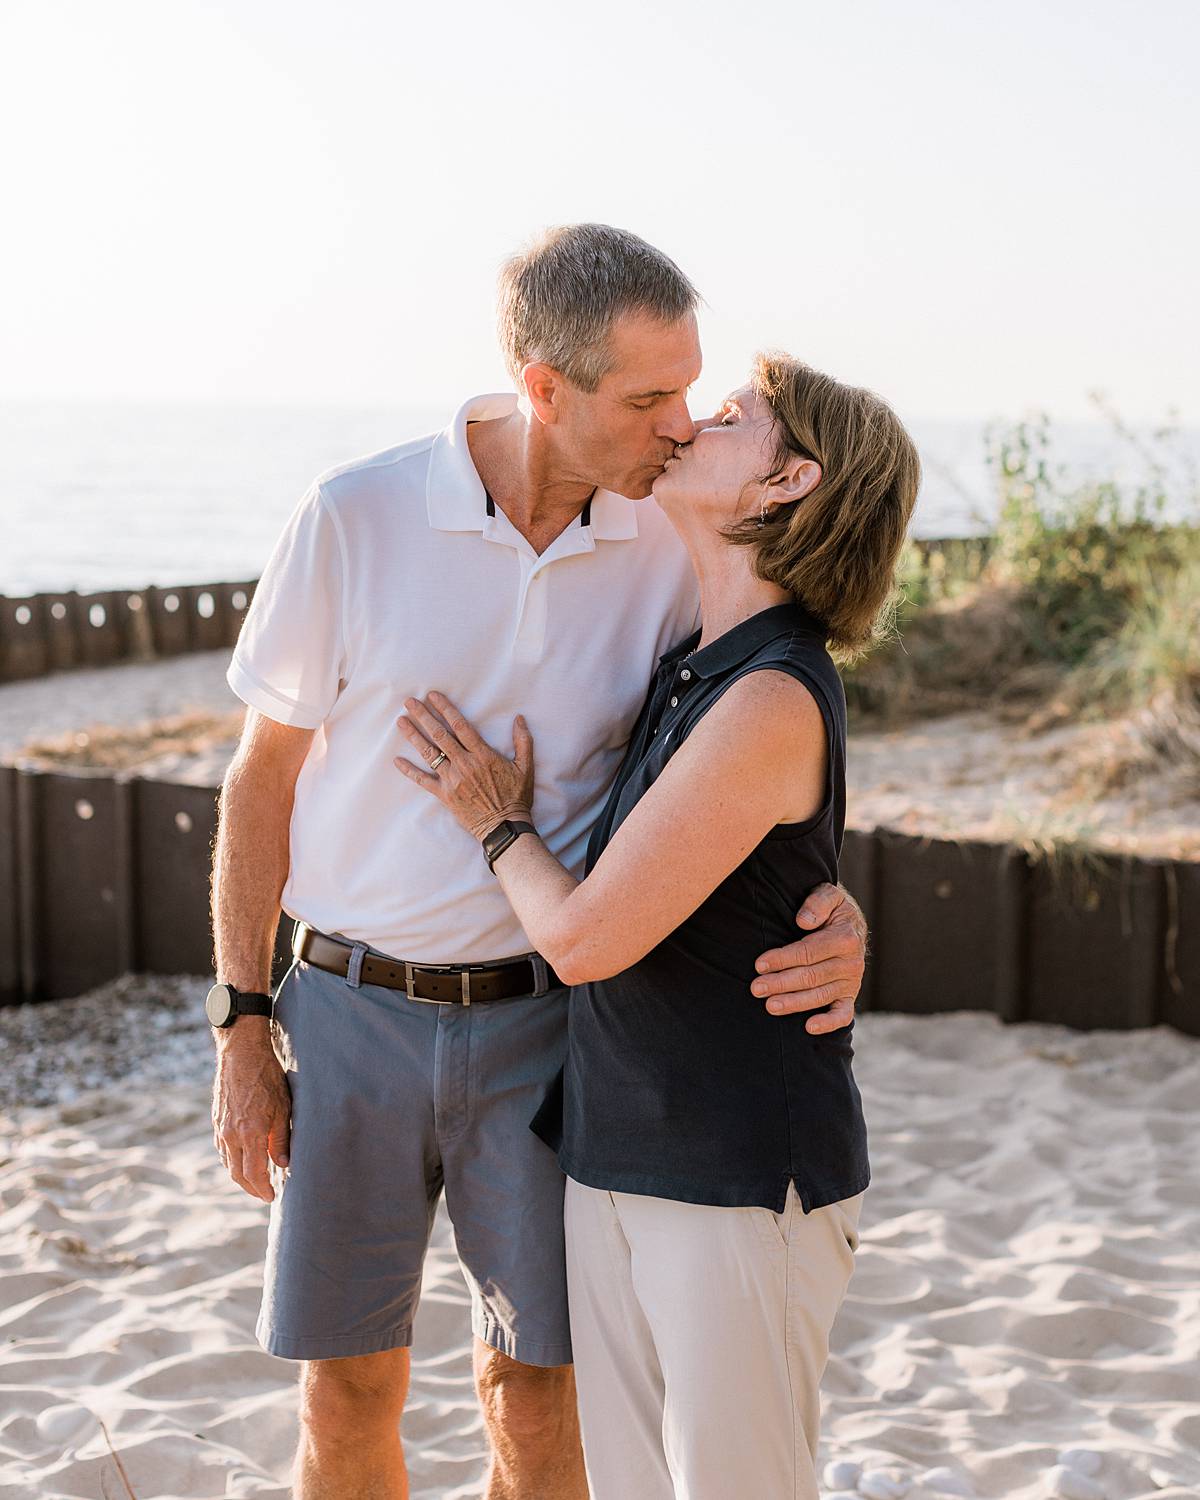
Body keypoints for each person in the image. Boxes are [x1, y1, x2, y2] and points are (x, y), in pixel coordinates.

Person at [211, 223, 870, 1500]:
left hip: (554, 1025)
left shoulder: (675, 551)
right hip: (346, 1009)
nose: (680, 426)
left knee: (536, 1390)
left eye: (692, 389)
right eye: (647, 399)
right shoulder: (354, 516)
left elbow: (759, 745)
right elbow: (262, 779)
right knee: (348, 1386)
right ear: (543, 388)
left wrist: (838, 909)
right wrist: (242, 1021)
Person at [394, 349, 920, 1500]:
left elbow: (582, 940)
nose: (691, 423)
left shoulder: (773, 694)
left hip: (738, 1175)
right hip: (617, 1153)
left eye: (732, 418)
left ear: (787, 485)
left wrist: (495, 822)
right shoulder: (693, 657)